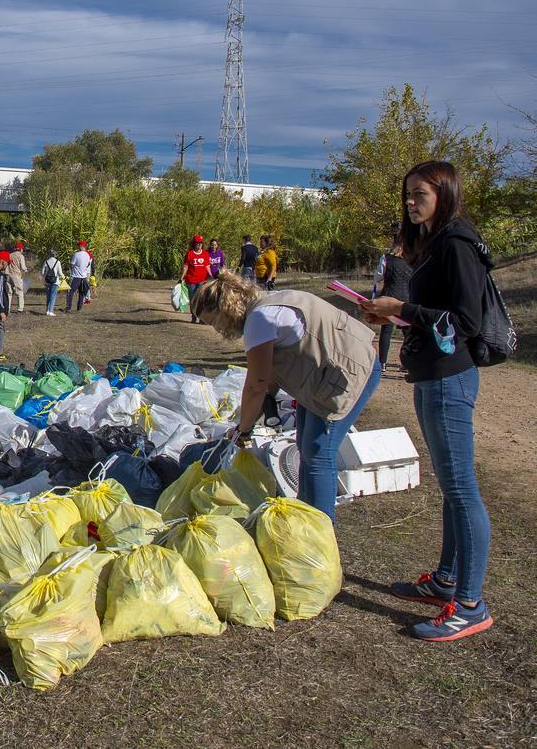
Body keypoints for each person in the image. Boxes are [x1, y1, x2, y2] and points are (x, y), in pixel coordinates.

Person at [360, 160, 494, 641]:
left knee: (462, 490)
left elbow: (466, 321)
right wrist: (389, 316)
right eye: (408, 195)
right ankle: (446, 579)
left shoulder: (457, 243)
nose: (411, 203)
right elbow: (429, 317)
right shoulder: (436, 243)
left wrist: (404, 309)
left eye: (420, 194)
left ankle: (471, 605)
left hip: (449, 379)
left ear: (445, 193)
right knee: (451, 487)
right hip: (430, 376)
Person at [192, 270, 381, 520]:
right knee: (305, 445)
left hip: (350, 374)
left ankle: (321, 527)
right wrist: (248, 420)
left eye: (212, 321)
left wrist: (245, 428)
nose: (216, 329)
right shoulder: (267, 304)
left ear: (224, 309)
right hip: (324, 378)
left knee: (317, 451)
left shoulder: (259, 320)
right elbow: (269, 377)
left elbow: (256, 384)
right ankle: (306, 515)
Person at [370, 233, 412, 365]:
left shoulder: (386, 258)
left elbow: (377, 277)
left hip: (388, 297)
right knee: (408, 332)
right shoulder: (413, 259)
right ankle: (406, 363)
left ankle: (382, 363)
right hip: (406, 298)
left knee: (386, 331)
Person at [181, 234, 211, 324]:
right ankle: (194, 316)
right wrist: (181, 278)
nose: (199, 245)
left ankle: (201, 318)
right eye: (197, 243)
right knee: (193, 299)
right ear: (194, 244)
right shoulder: (189, 254)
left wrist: (211, 275)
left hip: (202, 280)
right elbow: (185, 267)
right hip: (191, 280)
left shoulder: (205, 254)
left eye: (200, 243)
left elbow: (207, 266)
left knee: (201, 299)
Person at [67, 241, 93, 311]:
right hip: (83, 277)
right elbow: (87, 265)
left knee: (70, 292)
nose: (77, 247)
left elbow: (72, 264)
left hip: (76, 276)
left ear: (81, 246)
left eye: (78, 246)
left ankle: (69, 307)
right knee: (81, 293)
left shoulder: (76, 254)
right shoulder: (88, 255)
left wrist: (68, 266)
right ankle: (79, 308)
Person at [41, 248, 64, 315]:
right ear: (55, 254)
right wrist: (63, 277)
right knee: (53, 296)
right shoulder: (58, 262)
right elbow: (60, 273)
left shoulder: (46, 261)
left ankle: (47, 310)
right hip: (55, 281)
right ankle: (50, 311)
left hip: (47, 281)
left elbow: (42, 272)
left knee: (48, 296)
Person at [7, 242, 28, 312]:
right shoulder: (20, 256)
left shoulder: (10, 255)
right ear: (21, 249)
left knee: (9, 292)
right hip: (16, 275)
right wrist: (26, 270)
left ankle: (7, 308)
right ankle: (20, 308)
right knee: (19, 291)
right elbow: (23, 267)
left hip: (7, 274)